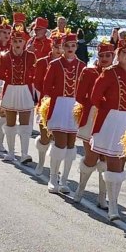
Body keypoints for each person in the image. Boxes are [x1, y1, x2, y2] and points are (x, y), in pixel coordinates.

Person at [88, 41, 126, 218]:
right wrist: (108, 109)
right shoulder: (109, 73)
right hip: (111, 120)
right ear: (118, 54)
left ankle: (113, 200)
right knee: (113, 162)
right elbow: (95, 96)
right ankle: (112, 206)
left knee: (121, 163)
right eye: (125, 52)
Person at [41, 33, 86, 193]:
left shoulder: (82, 66)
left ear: (76, 47)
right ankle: (53, 178)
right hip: (59, 106)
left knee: (71, 145)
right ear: (62, 47)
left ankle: (64, 180)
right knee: (60, 144)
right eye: (67, 46)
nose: (70, 49)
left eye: (73, 46)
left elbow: (85, 89)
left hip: (74, 107)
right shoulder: (54, 64)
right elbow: (46, 87)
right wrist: (47, 104)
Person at [71, 43, 113, 210]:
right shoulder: (88, 72)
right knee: (91, 157)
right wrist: (94, 105)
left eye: (108, 56)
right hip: (91, 116)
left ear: (113, 57)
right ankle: (80, 190)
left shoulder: (116, 74)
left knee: (105, 159)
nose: (104, 59)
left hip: (109, 120)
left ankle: (102, 197)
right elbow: (80, 95)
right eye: (101, 56)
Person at [0, 31, 37, 163]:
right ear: (11, 42)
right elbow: (0, 74)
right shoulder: (5, 56)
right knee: (10, 123)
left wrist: (28, 77)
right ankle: (11, 152)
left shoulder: (31, 56)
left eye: (20, 41)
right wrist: (10, 76)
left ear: (25, 42)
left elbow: (34, 72)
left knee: (25, 124)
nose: (17, 44)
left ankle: (24, 154)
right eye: (15, 41)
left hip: (25, 90)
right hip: (11, 90)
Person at [33, 35, 64, 175]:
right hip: (45, 103)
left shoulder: (65, 65)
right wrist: (50, 94)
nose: (59, 50)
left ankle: (54, 168)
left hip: (61, 104)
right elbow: (38, 83)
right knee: (45, 137)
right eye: (56, 47)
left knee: (57, 138)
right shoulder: (42, 62)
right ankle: (40, 162)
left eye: (61, 47)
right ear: (51, 47)